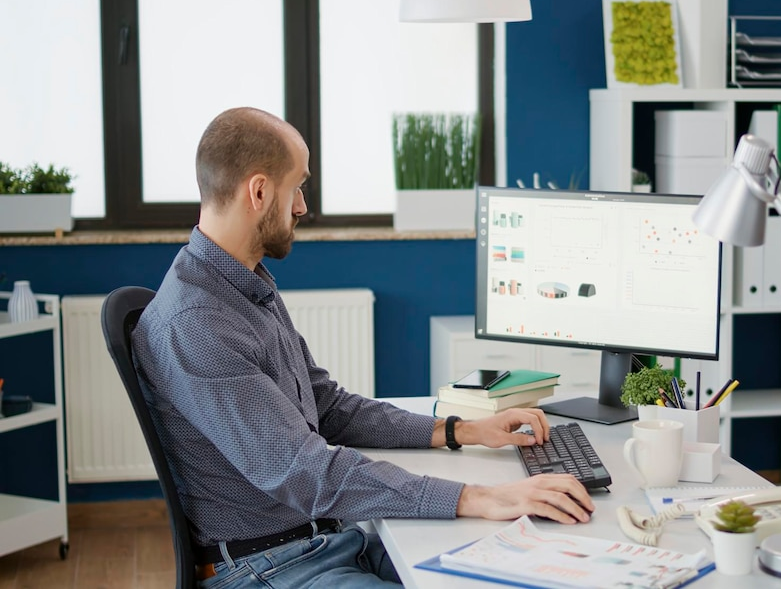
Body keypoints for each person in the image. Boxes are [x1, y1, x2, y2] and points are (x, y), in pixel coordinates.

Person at [131, 107, 594, 588]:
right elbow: (306, 473)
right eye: (298, 187)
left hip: (325, 541)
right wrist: (482, 497)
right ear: (260, 191)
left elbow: (327, 407)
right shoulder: (197, 324)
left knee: (523, 569)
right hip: (266, 568)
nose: (302, 207)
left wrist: (464, 430)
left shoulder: (244, 286)